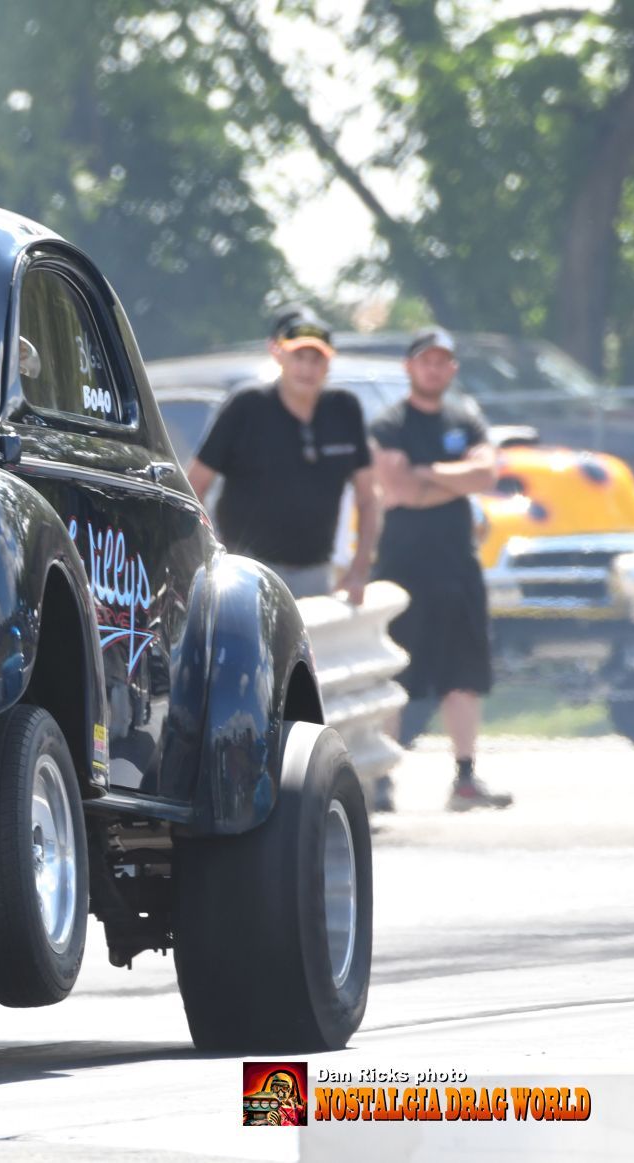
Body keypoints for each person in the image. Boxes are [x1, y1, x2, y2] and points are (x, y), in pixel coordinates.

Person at [371, 327, 512, 813]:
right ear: (410, 367)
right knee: (394, 674)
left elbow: (487, 473)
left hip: (457, 566)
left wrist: (427, 472)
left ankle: (465, 779)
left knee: (463, 673)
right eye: (426, 361)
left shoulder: (465, 420)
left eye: (443, 362)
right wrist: (453, 477)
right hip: (401, 565)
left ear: (452, 369)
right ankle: (382, 780)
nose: (435, 369)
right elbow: (399, 489)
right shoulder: (390, 423)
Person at [186, 306, 379, 603]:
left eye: (317, 359)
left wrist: (359, 570)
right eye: (298, 357)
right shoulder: (246, 405)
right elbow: (194, 486)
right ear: (277, 354)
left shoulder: (345, 409)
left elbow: (368, 497)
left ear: (329, 363)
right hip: (248, 573)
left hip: (317, 574)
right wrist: (210, 556)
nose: (307, 368)